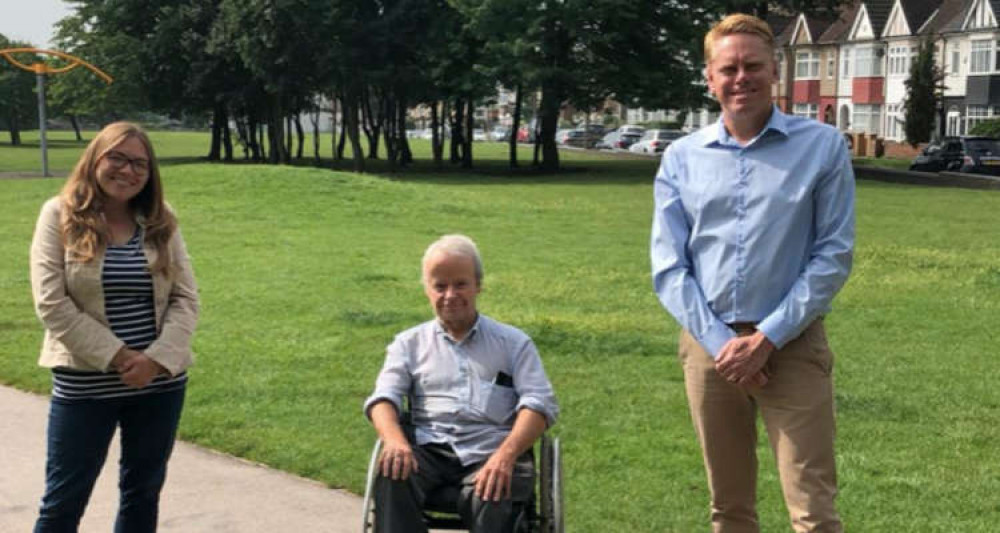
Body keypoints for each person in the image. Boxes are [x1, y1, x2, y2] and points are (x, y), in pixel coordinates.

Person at [650, 14, 855, 533]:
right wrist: (724, 344)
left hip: (793, 346)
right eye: (729, 68)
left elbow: (832, 255)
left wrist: (766, 339)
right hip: (708, 349)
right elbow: (670, 267)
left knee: (813, 511)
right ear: (710, 77)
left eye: (753, 66)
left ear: (775, 70)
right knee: (729, 509)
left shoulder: (822, 147)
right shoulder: (681, 158)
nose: (741, 77)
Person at [29, 121, 199, 532]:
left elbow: (185, 299)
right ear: (95, 159)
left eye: (139, 163)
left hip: (157, 385)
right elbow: (51, 303)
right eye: (117, 158)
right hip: (85, 384)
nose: (128, 170)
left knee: (142, 494)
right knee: (63, 501)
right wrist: (122, 358)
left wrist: (155, 361)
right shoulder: (59, 214)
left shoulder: (161, 219)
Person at [364, 234, 558, 533]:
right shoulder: (409, 344)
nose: (450, 294)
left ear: (478, 285)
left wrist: (505, 456)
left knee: (493, 491)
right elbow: (383, 399)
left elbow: (539, 405)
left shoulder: (514, 344)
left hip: (491, 450)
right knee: (392, 474)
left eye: (460, 284)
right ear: (427, 290)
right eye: (440, 286)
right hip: (430, 450)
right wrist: (394, 441)